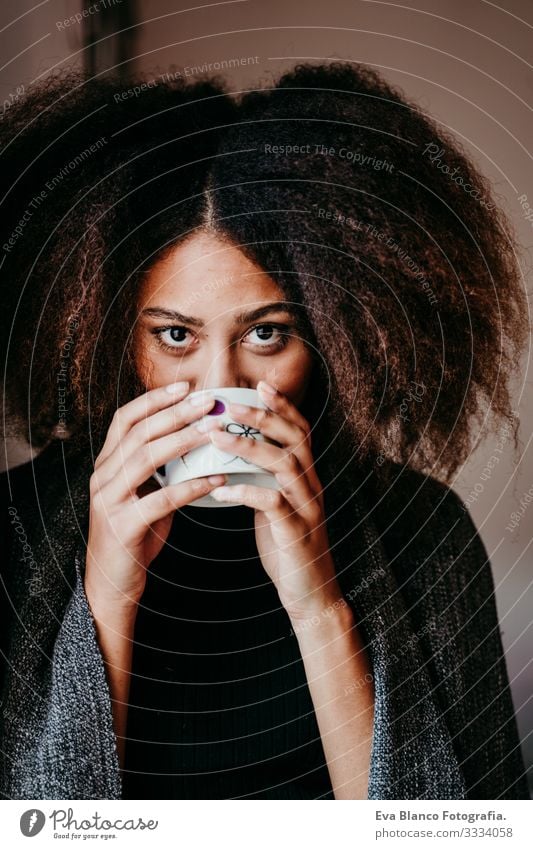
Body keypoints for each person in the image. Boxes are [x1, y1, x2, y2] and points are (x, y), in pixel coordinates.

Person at [0, 61, 529, 800]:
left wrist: (320, 608)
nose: (219, 389)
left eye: (268, 333)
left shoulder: (424, 534)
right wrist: (104, 599)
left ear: (331, 335)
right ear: (113, 334)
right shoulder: (14, 529)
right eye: (176, 335)